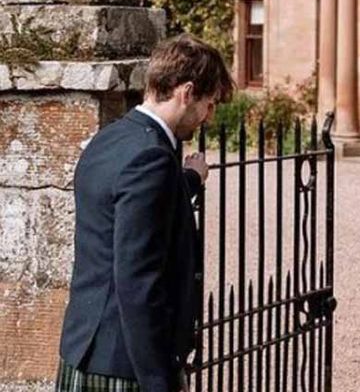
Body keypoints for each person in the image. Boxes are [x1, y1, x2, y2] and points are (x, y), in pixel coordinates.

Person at [55, 34, 234, 392]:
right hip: (124, 364)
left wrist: (188, 180)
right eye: (210, 104)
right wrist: (159, 380)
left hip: (86, 348)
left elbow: (134, 210)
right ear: (186, 92)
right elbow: (138, 281)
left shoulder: (112, 138)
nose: (209, 117)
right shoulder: (151, 157)